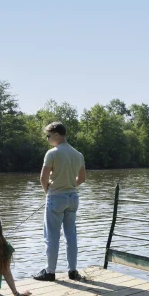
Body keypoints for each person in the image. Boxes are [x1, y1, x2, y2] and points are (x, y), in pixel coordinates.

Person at [33, 121, 86, 282]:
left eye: (48, 136)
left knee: (51, 236)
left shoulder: (52, 153)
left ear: (57, 134)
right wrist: (69, 185)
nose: (47, 139)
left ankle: (50, 272)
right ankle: (73, 271)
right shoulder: (78, 154)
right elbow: (82, 178)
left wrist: (48, 191)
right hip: (73, 198)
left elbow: (43, 178)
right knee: (71, 236)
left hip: (56, 198)